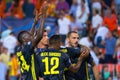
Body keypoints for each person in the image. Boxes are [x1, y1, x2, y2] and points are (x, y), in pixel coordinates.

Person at [16, 5, 48, 80]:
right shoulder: (27, 47)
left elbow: (30, 35)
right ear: (24, 39)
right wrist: (43, 16)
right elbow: (40, 36)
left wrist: (34, 23)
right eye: (29, 36)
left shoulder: (20, 49)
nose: (32, 36)